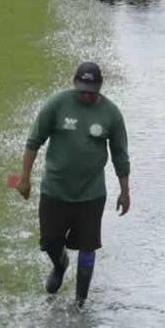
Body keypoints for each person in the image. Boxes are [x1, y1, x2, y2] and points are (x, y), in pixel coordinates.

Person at [17, 61, 130, 308]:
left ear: (100, 87)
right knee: (50, 241)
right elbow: (33, 142)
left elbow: (120, 154)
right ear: (74, 83)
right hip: (55, 191)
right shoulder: (57, 105)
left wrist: (125, 190)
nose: (87, 95)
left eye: (92, 91)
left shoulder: (111, 114)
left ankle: (80, 303)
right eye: (83, 90)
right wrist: (24, 178)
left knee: (88, 247)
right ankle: (60, 265)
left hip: (91, 194)